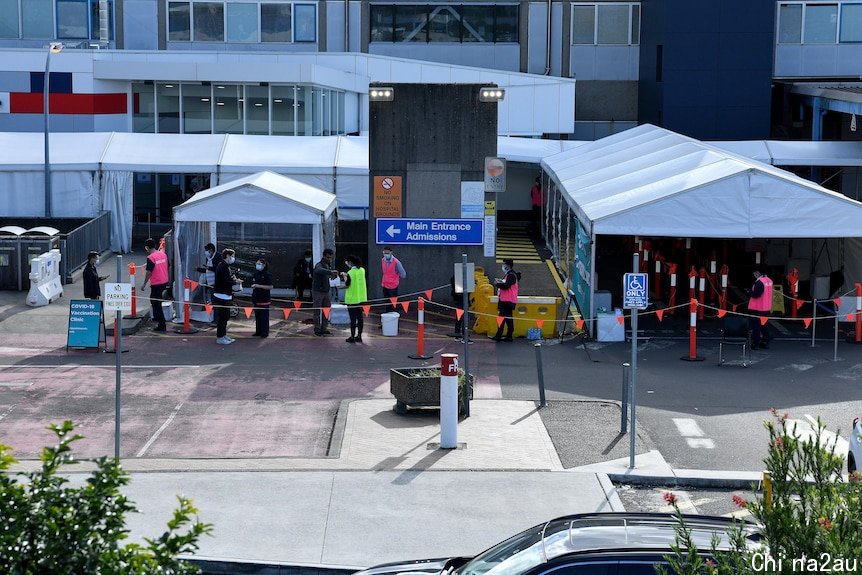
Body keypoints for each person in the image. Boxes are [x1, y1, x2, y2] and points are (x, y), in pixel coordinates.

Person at [141, 238, 169, 332]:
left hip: (156, 283)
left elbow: (149, 272)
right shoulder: (163, 254)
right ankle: (158, 319)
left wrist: (144, 284)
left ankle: (161, 324)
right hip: (164, 281)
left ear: (147, 247)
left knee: (156, 303)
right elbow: (169, 265)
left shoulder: (151, 258)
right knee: (156, 301)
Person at [213, 248, 239, 345]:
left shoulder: (225, 266)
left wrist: (233, 279)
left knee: (225, 317)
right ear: (227, 256)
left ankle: (223, 335)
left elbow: (226, 279)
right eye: (232, 256)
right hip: (221, 295)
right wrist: (234, 282)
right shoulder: (222, 266)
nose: (233, 258)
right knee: (222, 317)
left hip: (225, 295)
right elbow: (224, 281)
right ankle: (220, 337)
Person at [490, 258, 520, 342]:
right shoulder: (510, 274)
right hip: (508, 300)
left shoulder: (511, 275)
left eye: (504, 265)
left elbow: (506, 285)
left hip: (507, 300)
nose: (503, 266)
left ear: (508, 266)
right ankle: (508, 336)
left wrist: (498, 284)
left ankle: (499, 336)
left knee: (501, 318)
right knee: (508, 318)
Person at [341, 255, 367, 343]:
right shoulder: (362, 270)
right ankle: (359, 336)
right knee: (360, 318)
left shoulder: (351, 272)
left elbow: (347, 284)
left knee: (353, 318)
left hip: (352, 299)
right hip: (360, 298)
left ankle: (352, 336)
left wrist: (344, 277)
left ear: (350, 262)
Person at [312, 249, 338, 336]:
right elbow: (318, 270)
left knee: (326, 310)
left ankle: (324, 328)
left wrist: (332, 276)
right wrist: (330, 272)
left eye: (330, 257)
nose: (329, 259)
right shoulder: (319, 265)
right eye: (327, 257)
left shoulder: (327, 265)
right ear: (323, 256)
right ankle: (317, 328)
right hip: (318, 291)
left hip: (326, 291)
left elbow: (327, 276)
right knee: (317, 311)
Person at [748, 265, 773, 350]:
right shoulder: (769, 281)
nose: (754, 274)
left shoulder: (759, 282)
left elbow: (756, 294)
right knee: (764, 326)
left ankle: (756, 343)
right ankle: (765, 341)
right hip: (766, 308)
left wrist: (750, 292)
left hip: (757, 308)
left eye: (754, 273)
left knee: (756, 327)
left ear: (758, 273)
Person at [251, 258, 273, 338]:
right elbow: (254, 283)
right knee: (257, 316)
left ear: (264, 265)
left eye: (259, 264)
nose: (257, 265)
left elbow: (270, 287)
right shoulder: (255, 274)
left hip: (264, 299)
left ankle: (264, 332)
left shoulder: (267, 275)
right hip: (256, 298)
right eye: (257, 263)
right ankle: (258, 331)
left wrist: (258, 286)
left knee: (264, 317)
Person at [381, 246, 407, 310]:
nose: (386, 254)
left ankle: (393, 316)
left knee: (393, 304)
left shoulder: (396, 262)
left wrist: (396, 276)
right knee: (386, 303)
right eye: (384, 253)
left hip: (393, 286)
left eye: (387, 253)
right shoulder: (383, 260)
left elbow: (403, 274)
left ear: (391, 253)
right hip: (385, 285)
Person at [450, 274, 472, 343]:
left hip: (458, 298)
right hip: (461, 299)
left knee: (459, 317)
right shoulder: (462, 276)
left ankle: (458, 335)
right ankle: (464, 337)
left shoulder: (456, 275)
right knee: (464, 318)